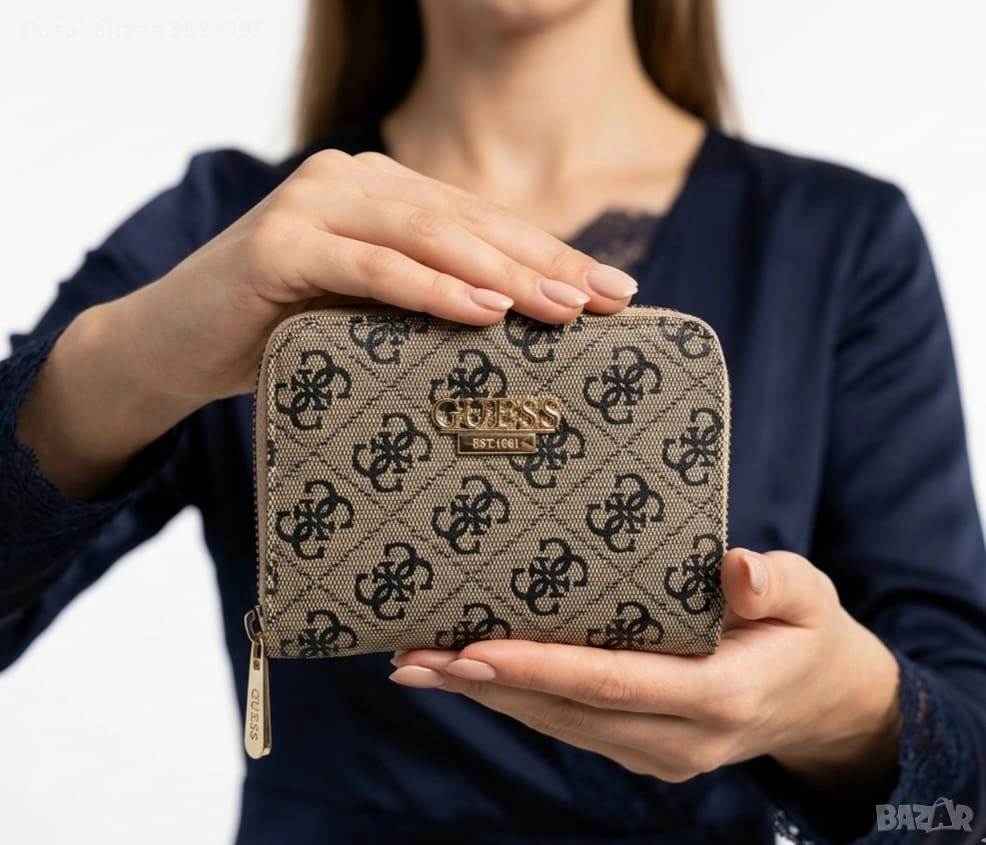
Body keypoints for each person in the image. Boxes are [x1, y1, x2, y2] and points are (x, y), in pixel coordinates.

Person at [2, 0, 985, 842]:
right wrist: (129, 361)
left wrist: (841, 708)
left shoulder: (838, 241)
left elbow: (969, 785)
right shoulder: (230, 230)